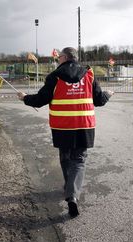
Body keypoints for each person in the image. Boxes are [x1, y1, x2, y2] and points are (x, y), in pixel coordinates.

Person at [17, 47, 113, 218]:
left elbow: (40, 100)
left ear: (65, 57)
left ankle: (70, 192)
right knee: (79, 160)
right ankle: (72, 194)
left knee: (66, 157)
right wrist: (107, 94)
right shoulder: (89, 74)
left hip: (62, 127)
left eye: (59, 56)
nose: (57, 59)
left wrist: (25, 97)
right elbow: (98, 100)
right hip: (84, 125)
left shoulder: (54, 76)